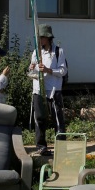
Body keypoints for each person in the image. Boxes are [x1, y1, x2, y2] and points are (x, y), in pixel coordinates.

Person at [29, 25, 67, 156]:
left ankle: (61, 147)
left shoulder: (58, 52)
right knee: (39, 118)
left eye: (41, 37)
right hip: (38, 89)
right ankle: (41, 146)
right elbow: (32, 71)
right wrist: (32, 68)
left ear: (48, 38)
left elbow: (63, 71)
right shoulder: (36, 52)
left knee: (57, 118)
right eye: (39, 37)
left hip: (54, 89)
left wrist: (48, 70)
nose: (39, 40)